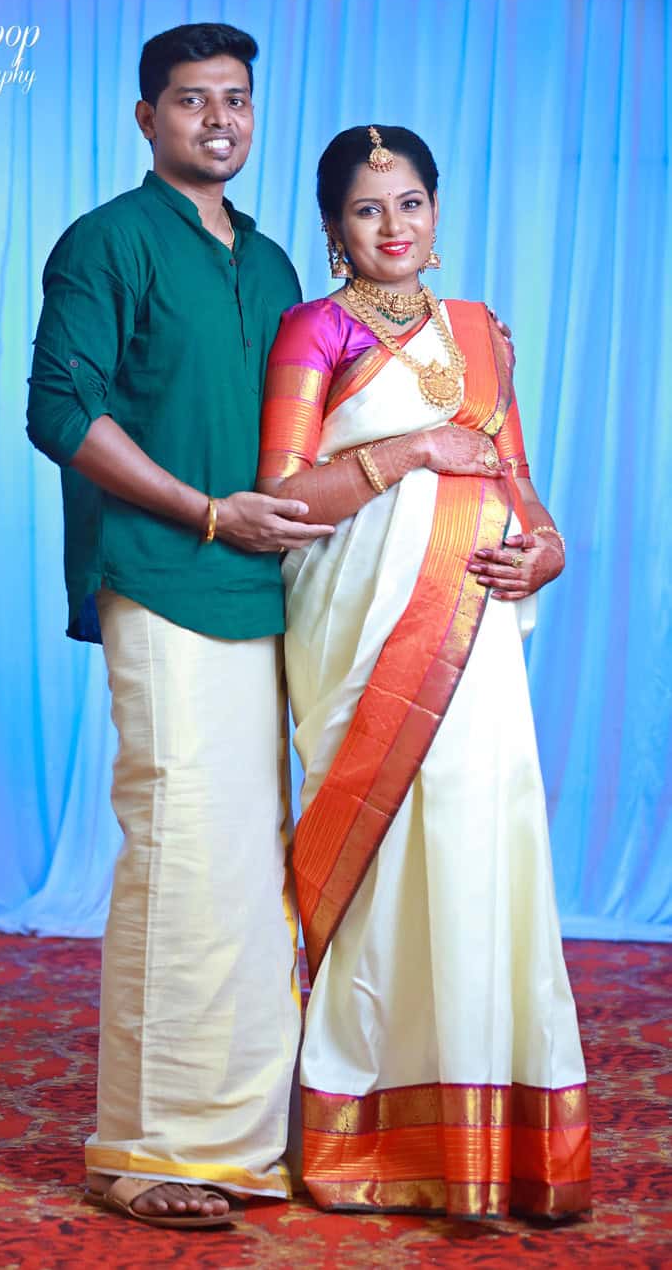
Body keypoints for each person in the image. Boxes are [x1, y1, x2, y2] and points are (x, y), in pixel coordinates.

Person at [26, 23, 334, 1228]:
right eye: (193, 101)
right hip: (160, 571)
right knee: (179, 855)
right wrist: (206, 512)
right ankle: (145, 1149)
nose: (219, 120)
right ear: (146, 118)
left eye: (238, 102)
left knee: (251, 872)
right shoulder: (106, 241)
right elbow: (63, 411)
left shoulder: (270, 266)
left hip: (265, 593)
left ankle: (241, 1141)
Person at [256, 125, 591, 1221]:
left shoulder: (480, 334)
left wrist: (544, 544)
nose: (392, 227)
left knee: (483, 837)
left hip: (475, 627)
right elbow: (283, 501)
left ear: (436, 214)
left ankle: (488, 1137)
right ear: (333, 226)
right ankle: (366, 1127)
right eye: (366, 209)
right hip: (360, 638)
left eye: (409, 204)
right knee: (397, 849)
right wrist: (404, 453)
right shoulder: (313, 328)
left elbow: (516, 477)